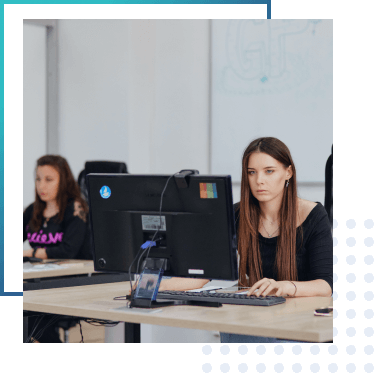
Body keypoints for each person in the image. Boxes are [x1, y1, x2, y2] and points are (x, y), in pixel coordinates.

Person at [132, 137, 333, 343]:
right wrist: (160, 285)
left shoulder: (313, 215)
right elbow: (204, 273)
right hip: (255, 319)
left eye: (269, 171)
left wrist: (286, 286)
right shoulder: (238, 214)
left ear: (288, 172)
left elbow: (325, 284)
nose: (259, 180)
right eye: (251, 172)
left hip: (300, 322)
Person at [23, 155, 91, 343]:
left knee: (31, 316)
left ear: (64, 181)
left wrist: (31, 253)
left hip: (68, 282)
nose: (41, 186)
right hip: (38, 281)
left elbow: (68, 250)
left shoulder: (76, 208)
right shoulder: (32, 211)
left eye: (49, 180)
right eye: (38, 179)